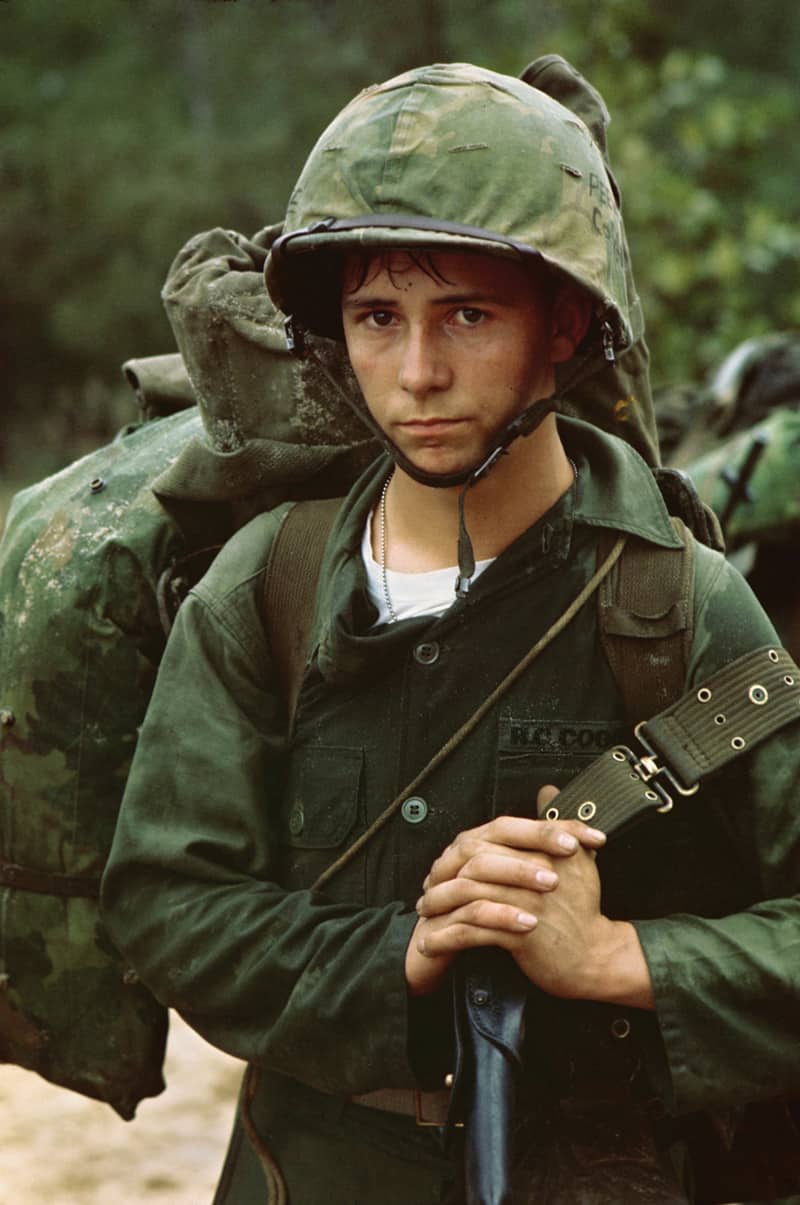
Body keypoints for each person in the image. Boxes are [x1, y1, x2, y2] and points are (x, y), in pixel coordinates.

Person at [101, 61, 800, 1204]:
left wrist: (619, 959)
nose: (416, 373)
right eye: (378, 318)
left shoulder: (679, 601)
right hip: (305, 1171)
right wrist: (400, 957)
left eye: (466, 315)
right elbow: (169, 902)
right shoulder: (266, 584)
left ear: (563, 322)